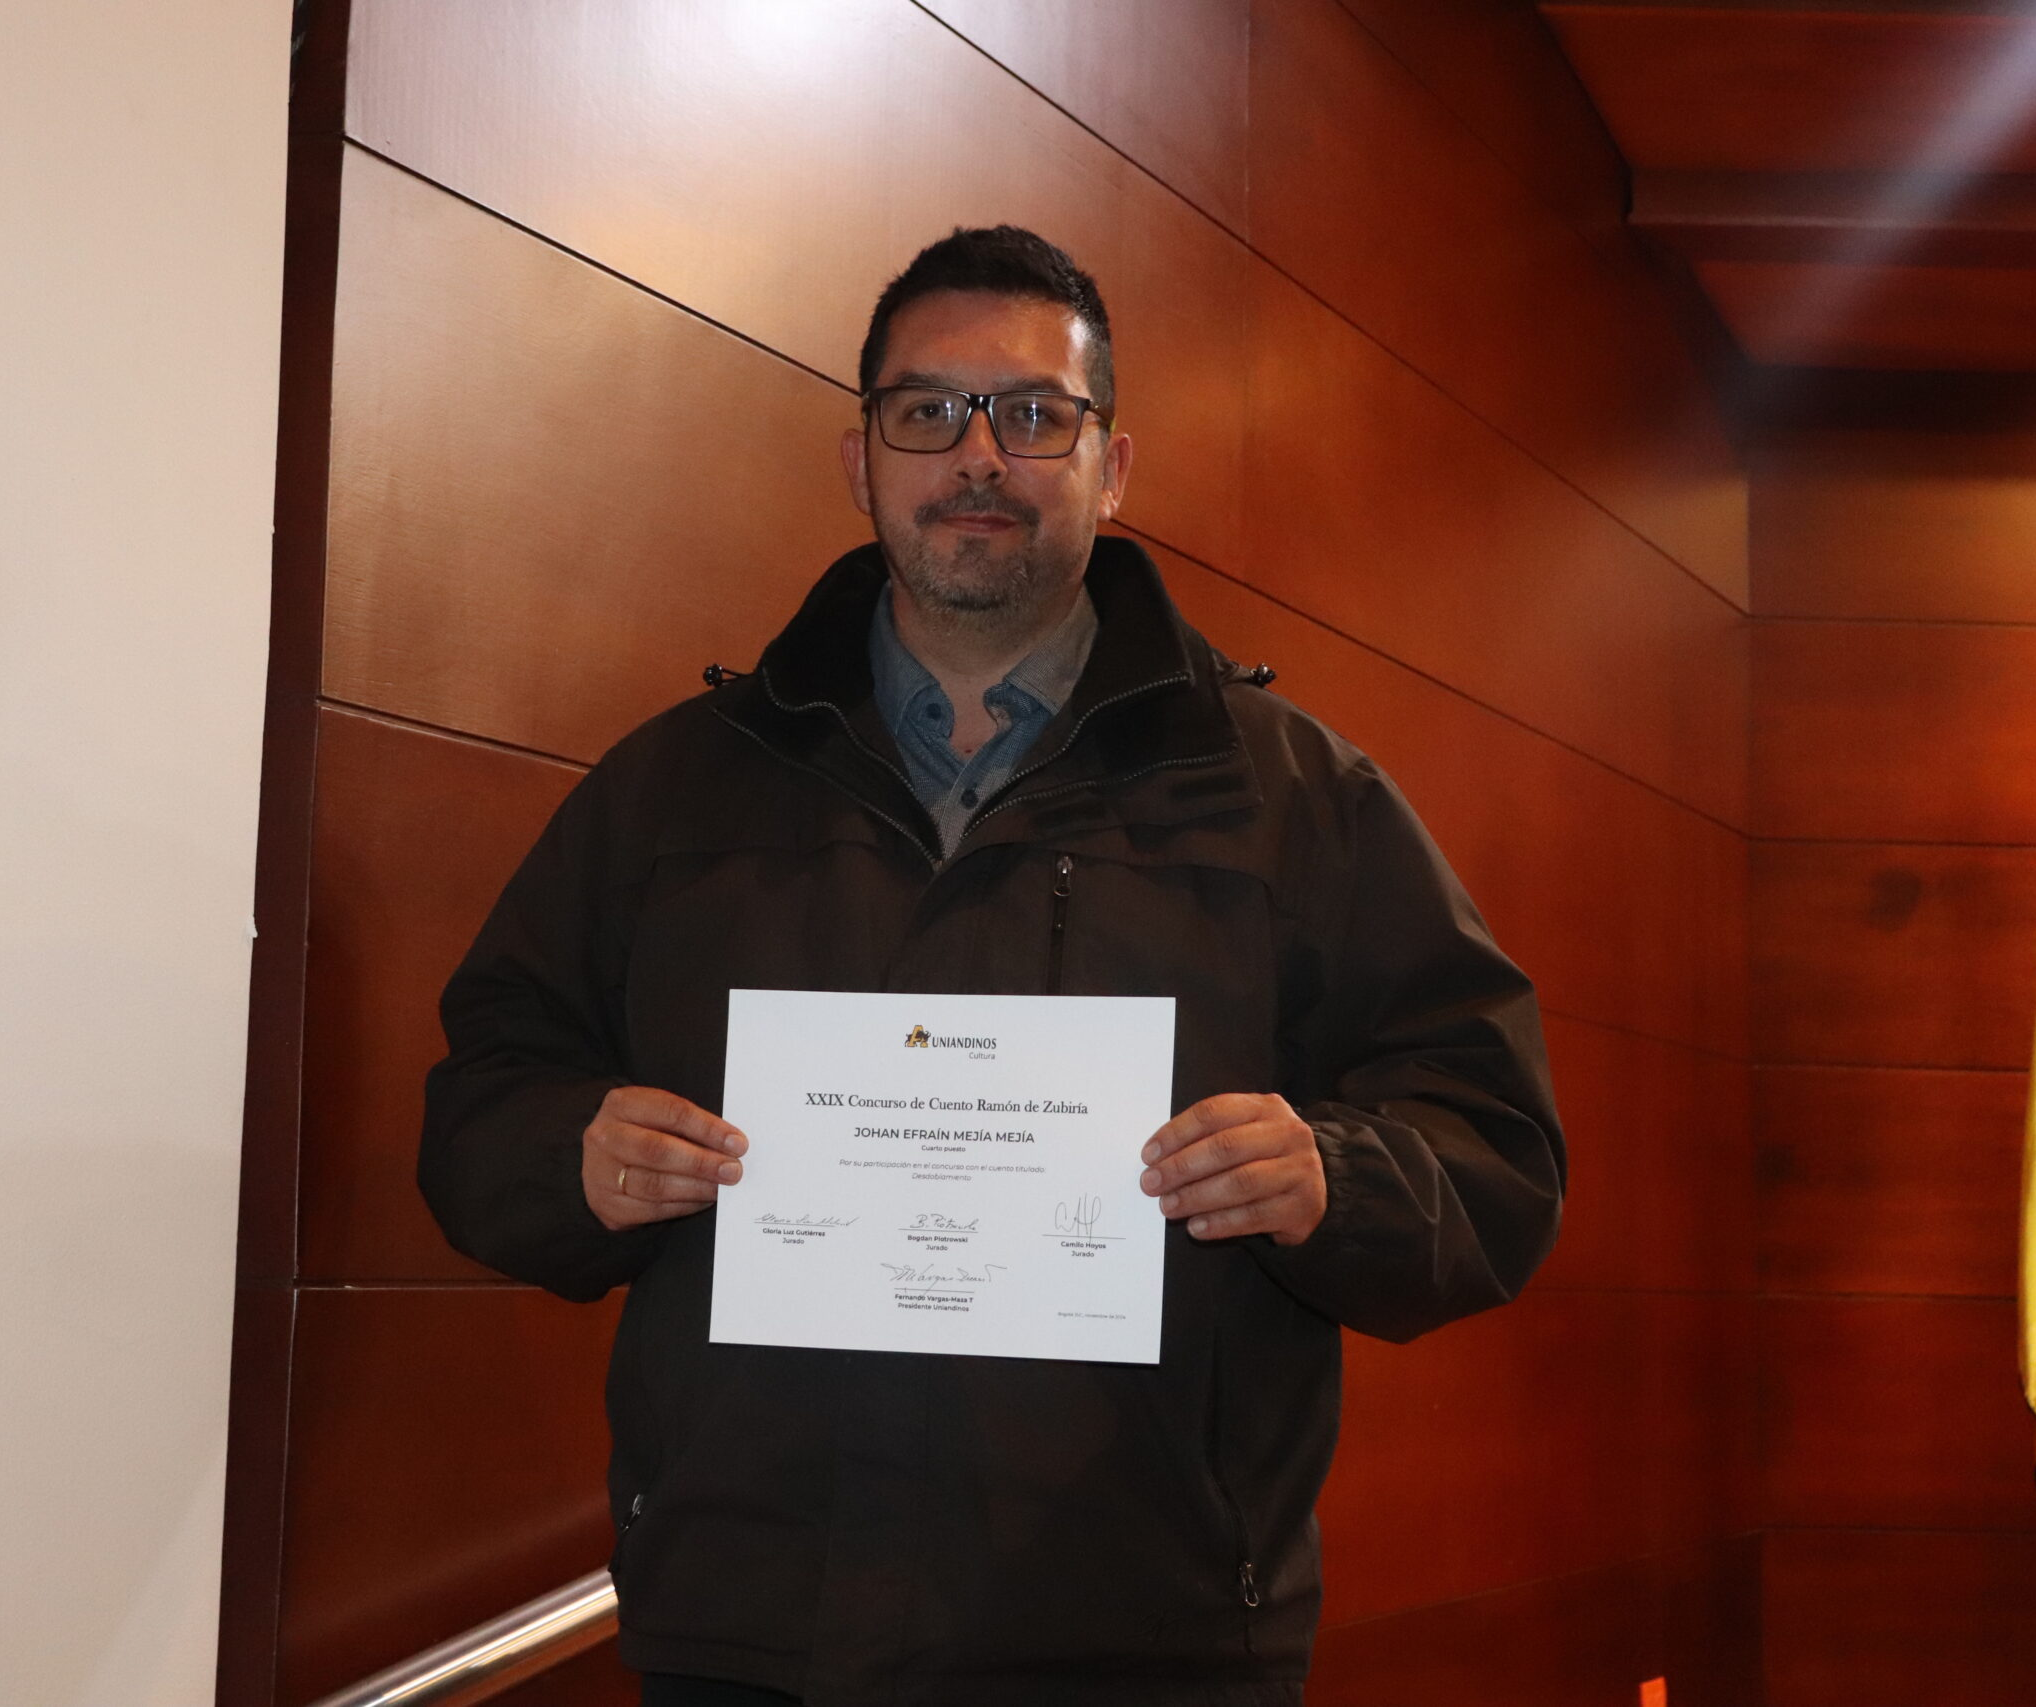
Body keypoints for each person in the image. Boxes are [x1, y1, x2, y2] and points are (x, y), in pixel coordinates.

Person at [420, 225, 1564, 1707]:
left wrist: (1331, 1179)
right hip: (751, 1638)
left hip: (1150, 1646)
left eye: (1033, 414)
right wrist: (571, 1157)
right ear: (861, 461)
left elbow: (1498, 1152)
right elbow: (481, 1099)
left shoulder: (1294, 799)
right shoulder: (675, 792)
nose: (978, 456)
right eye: (927, 411)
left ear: (1111, 465)